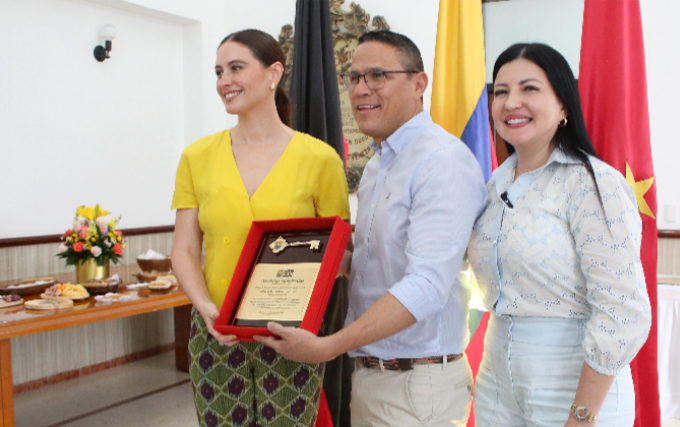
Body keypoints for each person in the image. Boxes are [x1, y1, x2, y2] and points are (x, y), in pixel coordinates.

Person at [255, 31, 487, 426]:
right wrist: (297, 254)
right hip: (372, 374)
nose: (362, 89)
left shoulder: (440, 161)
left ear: (419, 83)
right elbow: (373, 262)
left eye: (378, 75)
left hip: (417, 383)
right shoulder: (380, 164)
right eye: (354, 77)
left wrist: (328, 347)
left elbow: (426, 285)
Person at [170, 29, 350, 427]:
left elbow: (338, 251)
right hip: (215, 333)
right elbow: (183, 250)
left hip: (290, 336)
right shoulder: (196, 157)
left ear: (274, 74)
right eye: (218, 71)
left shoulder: (319, 158)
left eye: (236, 68)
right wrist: (207, 311)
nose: (223, 82)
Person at [466, 43, 652, 427]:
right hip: (496, 378)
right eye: (500, 92)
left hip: (574, 383)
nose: (510, 102)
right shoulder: (492, 186)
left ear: (564, 105)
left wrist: (582, 415)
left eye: (529, 89)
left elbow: (622, 310)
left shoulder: (593, 185)